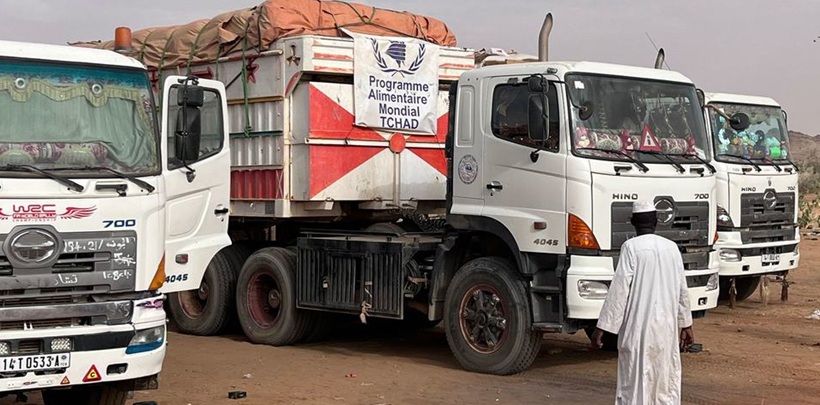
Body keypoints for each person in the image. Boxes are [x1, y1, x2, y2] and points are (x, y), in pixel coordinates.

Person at [592, 200, 695, 405]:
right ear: (656, 221)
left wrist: (602, 327)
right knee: (663, 381)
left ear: (633, 222)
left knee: (635, 383)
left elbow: (619, 290)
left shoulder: (630, 247)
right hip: (666, 330)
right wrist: (687, 324)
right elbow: (682, 290)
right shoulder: (672, 248)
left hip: (638, 330)